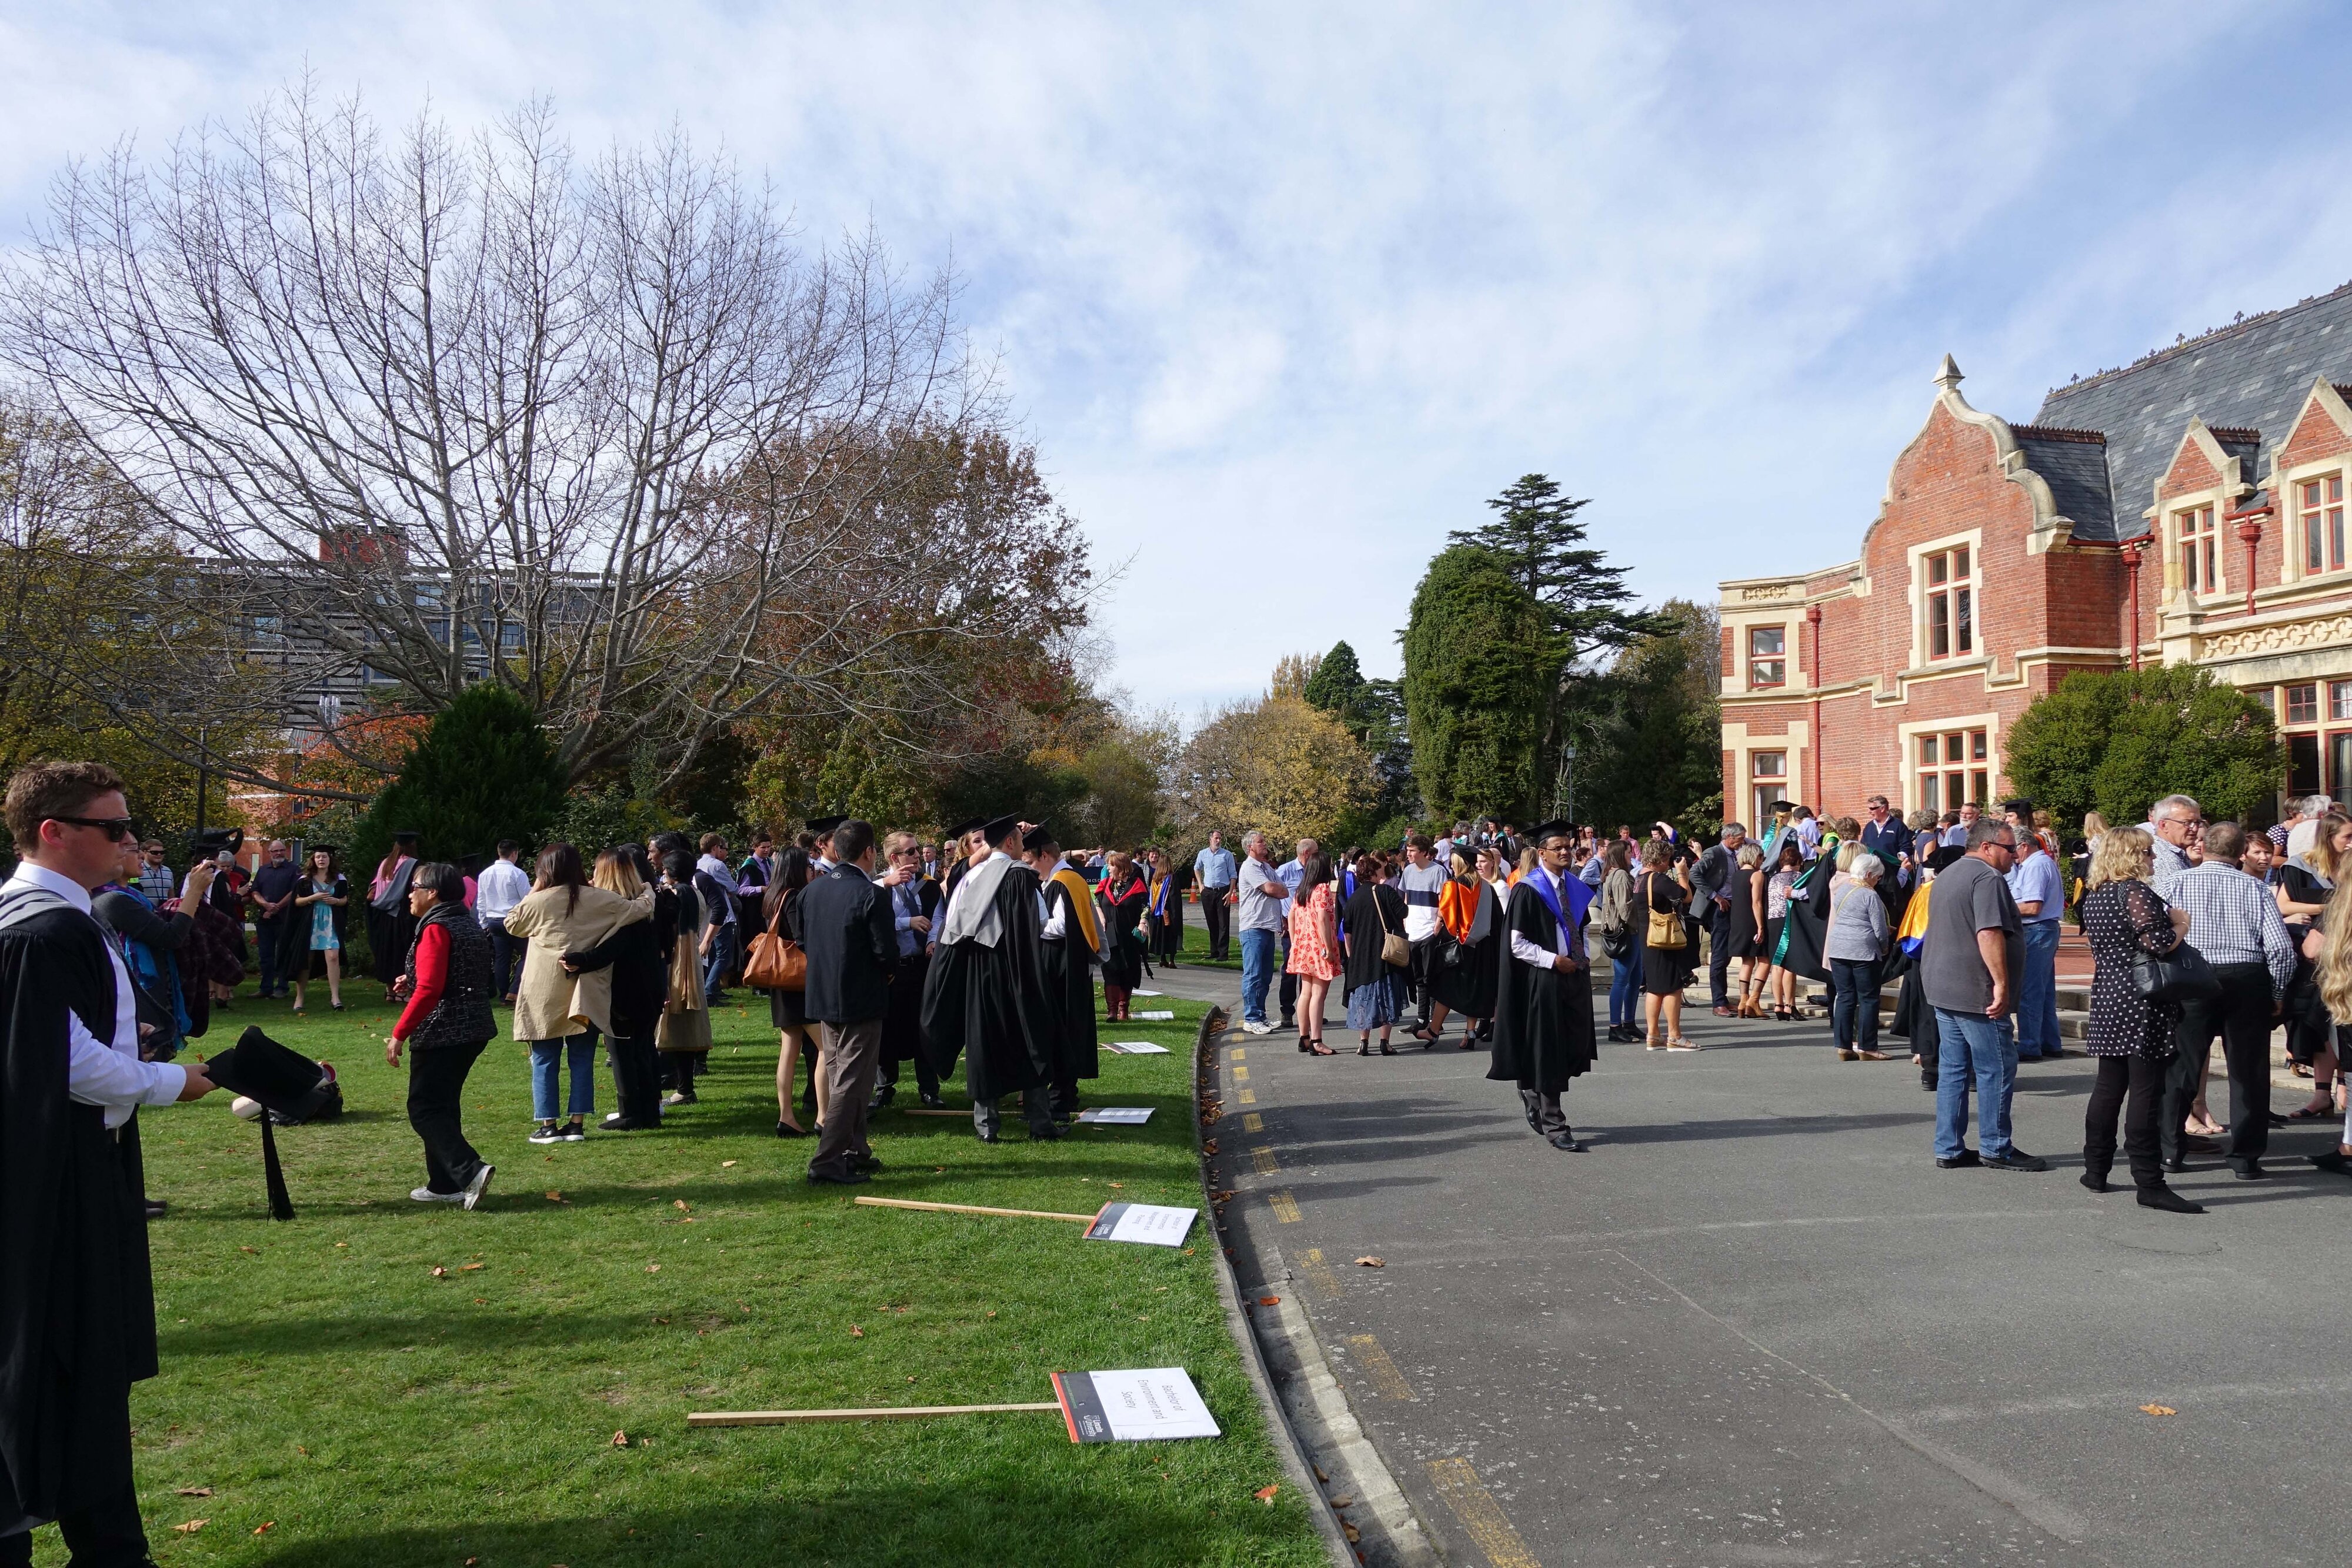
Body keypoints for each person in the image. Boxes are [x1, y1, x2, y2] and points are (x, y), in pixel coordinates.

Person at [0, 762, 219, 1568]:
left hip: (70, 1158)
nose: (130, 842)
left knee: (83, 1355)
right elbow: (66, 1059)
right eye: (113, 827)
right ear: (54, 831)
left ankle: (107, 1542)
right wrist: (173, 1080)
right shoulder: (37, 926)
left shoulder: (58, 919)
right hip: (55, 1170)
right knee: (62, 1350)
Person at [2159, 820, 2295, 1180]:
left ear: (2203, 847)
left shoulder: (2175, 884)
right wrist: (2278, 994)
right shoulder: (2256, 888)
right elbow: (2281, 950)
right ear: (2240, 854)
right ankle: (2245, 1158)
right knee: (2248, 1071)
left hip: (2193, 975)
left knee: (2183, 1065)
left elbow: (2159, 935)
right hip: (2245, 978)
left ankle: (2171, 1150)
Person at [2077, 829, 2201, 1212]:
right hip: (2140, 995)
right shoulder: (2134, 892)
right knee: (2146, 1090)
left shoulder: (2094, 896)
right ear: (2130, 856)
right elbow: (2157, 943)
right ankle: (2149, 1182)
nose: (2151, 858)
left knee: (2109, 1085)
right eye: (2146, 852)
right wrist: (2181, 924)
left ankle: (2095, 1169)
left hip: (2108, 992)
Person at [920, 813, 1060, 1143]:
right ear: (1010, 842)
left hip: (979, 974)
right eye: (1021, 840)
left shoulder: (969, 878)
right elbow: (1041, 923)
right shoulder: (1023, 877)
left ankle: (987, 1127)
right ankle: (1040, 1123)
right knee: (1030, 1038)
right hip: (1019, 972)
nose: (1024, 847)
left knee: (983, 1044)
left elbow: (952, 927)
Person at [501, 840, 652, 1144]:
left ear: (545, 871)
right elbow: (638, 909)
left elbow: (511, 924)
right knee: (582, 1057)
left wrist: (537, 887)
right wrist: (648, 888)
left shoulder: (538, 901)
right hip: (584, 989)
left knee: (545, 1058)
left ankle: (548, 1125)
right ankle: (576, 1124)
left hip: (543, 990)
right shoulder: (600, 899)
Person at [1922, 816, 2045, 1171]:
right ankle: (1995, 1146)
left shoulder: (1950, 874)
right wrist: (2002, 984)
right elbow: (1988, 932)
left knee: (1954, 1070)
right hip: (1975, 988)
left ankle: (1949, 1147)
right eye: (2009, 849)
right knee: (1996, 1068)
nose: (2015, 857)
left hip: (1944, 985)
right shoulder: (1986, 877)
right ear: (1987, 847)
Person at [385, 860, 499, 1207]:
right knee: (443, 1105)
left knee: (424, 1107)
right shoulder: (465, 923)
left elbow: (432, 989)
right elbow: (459, 974)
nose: (410, 894)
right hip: (473, 1025)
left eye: (415, 887)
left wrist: (399, 1033)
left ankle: (469, 1171)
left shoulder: (436, 928)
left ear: (432, 892)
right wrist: (414, 978)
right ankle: (444, 1185)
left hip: (445, 1028)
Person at [799, 819, 897, 1185]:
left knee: (846, 1073)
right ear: (870, 852)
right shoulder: (870, 894)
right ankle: (827, 1160)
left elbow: (804, 939)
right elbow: (886, 951)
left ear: (836, 851)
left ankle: (855, 1150)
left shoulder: (812, 892)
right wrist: (886, 972)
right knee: (852, 1080)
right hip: (860, 997)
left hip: (825, 994)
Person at [1488, 822, 1597, 1149]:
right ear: (1541, 854)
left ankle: (1532, 1090)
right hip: (1544, 979)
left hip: (1573, 976)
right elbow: (1517, 944)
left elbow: (1582, 929)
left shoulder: (1574, 887)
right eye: (1557, 848)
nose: (1565, 852)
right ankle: (1556, 1124)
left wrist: (1583, 956)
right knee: (1549, 1049)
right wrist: (1553, 960)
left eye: (1568, 846)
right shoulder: (1528, 889)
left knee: (1568, 1046)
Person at [556, 849, 671, 1132]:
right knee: (643, 1049)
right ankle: (649, 1111)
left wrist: (579, 960)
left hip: (626, 991)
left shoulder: (622, 910)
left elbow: (611, 950)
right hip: (651, 986)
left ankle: (632, 1112)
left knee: (623, 1052)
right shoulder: (646, 904)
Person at [1029, 825, 1102, 1116]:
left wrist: (1033, 925)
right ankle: (1067, 1092)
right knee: (1071, 1030)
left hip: (1063, 966)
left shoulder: (1062, 881)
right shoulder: (1074, 878)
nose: (1033, 869)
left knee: (1062, 1031)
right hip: (1072, 965)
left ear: (1044, 856)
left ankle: (1060, 1096)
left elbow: (1060, 925)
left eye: (1032, 862)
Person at [872, 832, 944, 1112]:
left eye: (917, 851)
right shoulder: (877, 887)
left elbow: (938, 918)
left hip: (920, 967)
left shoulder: (929, 886)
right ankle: (884, 1089)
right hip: (890, 970)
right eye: (911, 852)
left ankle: (929, 1089)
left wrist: (932, 940)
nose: (918, 856)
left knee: (924, 1027)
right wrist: (907, 922)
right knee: (886, 1030)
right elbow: (872, 922)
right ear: (894, 858)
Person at [754, 849, 816, 1135]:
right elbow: (800, 938)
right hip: (798, 982)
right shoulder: (792, 896)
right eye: (808, 865)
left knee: (789, 1051)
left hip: (783, 983)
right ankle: (824, 1117)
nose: (811, 870)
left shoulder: (773, 896)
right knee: (828, 1050)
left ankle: (786, 1116)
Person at [1423, 849, 1506, 1049]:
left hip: (1458, 949)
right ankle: (1470, 1031)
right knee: (1474, 990)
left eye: (1453, 863)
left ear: (1459, 864)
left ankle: (1433, 1030)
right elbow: (1498, 920)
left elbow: (1450, 923)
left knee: (1446, 989)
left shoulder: (1452, 886)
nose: (1451, 866)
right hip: (1482, 948)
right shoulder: (1486, 888)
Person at [653, 842, 715, 1103]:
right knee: (686, 1025)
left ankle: (672, 1084)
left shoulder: (673, 895)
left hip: (675, 961)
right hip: (693, 962)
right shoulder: (695, 893)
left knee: (670, 1021)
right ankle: (684, 1087)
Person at [2004, 822, 2066, 1062]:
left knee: (2030, 990)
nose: (2012, 855)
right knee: (2043, 989)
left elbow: (2032, 906)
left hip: (2037, 930)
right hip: (2042, 929)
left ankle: (2031, 1044)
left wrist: (2003, 906)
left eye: (2013, 849)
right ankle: (2049, 1041)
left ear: (2024, 846)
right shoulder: (2037, 863)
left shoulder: (2036, 866)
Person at [1824, 853, 1891, 1061]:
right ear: (1869, 874)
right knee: (1869, 998)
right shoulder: (1869, 895)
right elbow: (1879, 929)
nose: (1878, 881)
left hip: (1838, 947)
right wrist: (1884, 947)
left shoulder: (1842, 888)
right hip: (1863, 950)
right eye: (1877, 877)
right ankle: (1868, 1046)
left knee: (1845, 996)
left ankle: (1843, 1045)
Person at [1339, 855, 1406, 1055]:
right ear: (1376, 872)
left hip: (1361, 956)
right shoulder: (1385, 891)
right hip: (1384, 954)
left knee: (1363, 1000)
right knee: (1386, 999)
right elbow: (1403, 912)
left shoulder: (1354, 898)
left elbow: (1347, 929)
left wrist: (1350, 953)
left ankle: (1364, 1042)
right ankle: (1385, 1042)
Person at [1637, 839, 1699, 1050]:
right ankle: (1674, 1035)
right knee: (1673, 986)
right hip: (1664, 938)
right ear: (1661, 859)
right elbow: (1687, 897)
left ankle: (1653, 1035)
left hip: (1647, 938)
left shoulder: (1639, 878)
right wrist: (1682, 872)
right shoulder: (1659, 879)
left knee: (1654, 988)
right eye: (1668, 859)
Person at [1286, 853, 1342, 1055]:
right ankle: (1317, 1041)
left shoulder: (1302, 890)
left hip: (1303, 946)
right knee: (1319, 994)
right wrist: (1328, 947)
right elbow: (1323, 919)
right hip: (1319, 947)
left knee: (1306, 992)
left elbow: (1291, 916)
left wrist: (1295, 941)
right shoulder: (1322, 890)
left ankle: (1304, 1038)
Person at [1690, 823, 1746, 1016]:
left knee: (1727, 954)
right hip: (1718, 908)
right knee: (1720, 955)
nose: (1742, 842)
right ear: (1730, 837)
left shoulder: (1735, 854)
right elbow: (1694, 873)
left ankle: (1722, 998)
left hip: (1732, 906)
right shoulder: (1714, 853)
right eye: (1740, 839)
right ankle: (1718, 1002)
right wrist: (1715, 896)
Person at [1236, 830, 1287, 1033]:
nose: (1265, 845)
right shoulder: (1250, 867)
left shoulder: (1266, 866)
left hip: (1267, 927)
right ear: (1250, 847)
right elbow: (1273, 889)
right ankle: (1251, 1017)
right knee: (1253, 974)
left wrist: (1278, 889)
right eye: (1261, 842)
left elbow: (1283, 889)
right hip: (1253, 928)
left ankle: (1260, 1015)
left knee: (1265, 975)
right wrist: (1277, 889)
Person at [1594, 841, 1643, 1042]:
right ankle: (1616, 1025)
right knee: (1623, 980)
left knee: (1634, 978)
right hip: (1627, 933)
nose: (1631, 854)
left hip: (1624, 932)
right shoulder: (1621, 875)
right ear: (1620, 854)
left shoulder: (1611, 874)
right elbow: (1625, 909)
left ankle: (1629, 1023)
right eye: (1628, 851)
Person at [291, 846, 349, 1013]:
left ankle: (335, 998)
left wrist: (336, 902)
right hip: (311, 922)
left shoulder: (339, 879)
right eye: (318, 857)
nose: (321, 860)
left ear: (330, 860)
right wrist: (313, 898)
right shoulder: (305, 880)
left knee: (333, 956)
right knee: (306, 959)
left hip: (331, 920)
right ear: (313, 860)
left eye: (324, 857)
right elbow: (297, 902)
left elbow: (345, 899)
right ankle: (300, 997)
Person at [366, 830, 422, 1000]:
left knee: (388, 953)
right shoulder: (414, 865)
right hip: (402, 917)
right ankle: (402, 992)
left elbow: (373, 890)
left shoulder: (386, 863)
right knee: (402, 953)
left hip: (383, 915)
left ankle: (390, 991)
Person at [476, 839, 532, 1005]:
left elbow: (481, 901)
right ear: (514, 853)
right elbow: (527, 898)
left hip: (493, 919)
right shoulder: (517, 874)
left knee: (502, 958)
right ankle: (514, 990)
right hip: (514, 919)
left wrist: (483, 923)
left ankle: (504, 994)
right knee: (527, 952)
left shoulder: (485, 874)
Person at [245, 839, 302, 1000]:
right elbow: (255, 892)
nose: (279, 853)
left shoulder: (294, 870)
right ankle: (265, 988)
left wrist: (277, 906)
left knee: (283, 954)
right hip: (265, 920)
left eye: (282, 850)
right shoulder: (263, 871)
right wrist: (266, 905)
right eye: (275, 851)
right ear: (270, 853)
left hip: (285, 919)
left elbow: (295, 892)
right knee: (265, 956)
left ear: (286, 851)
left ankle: (282, 988)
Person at [1096, 849, 1148, 1022]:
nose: (1108, 868)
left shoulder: (1136, 885)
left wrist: (1142, 923)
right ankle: (1111, 1011)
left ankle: (1123, 1009)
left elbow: (1145, 907)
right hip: (1110, 933)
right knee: (1110, 970)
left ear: (1121, 868)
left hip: (1129, 935)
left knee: (1127, 970)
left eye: (1111, 865)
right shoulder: (1105, 885)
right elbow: (1096, 903)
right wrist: (1102, 918)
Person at [1759, 838, 1804, 1021]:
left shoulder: (1772, 879)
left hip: (1773, 921)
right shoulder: (1798, 877)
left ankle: (1778, 1003)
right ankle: (1790, 1004)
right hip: (1790, 921)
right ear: (1798, 862)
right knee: (1790, 965)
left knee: (1776, 964)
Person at [695, 833, 740, 1004]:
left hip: (704, 914)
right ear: (715, 848)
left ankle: (712, 988)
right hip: (721, 915)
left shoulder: (698, 865)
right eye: (720, 847)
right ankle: (709, 990)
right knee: (723, 955)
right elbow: (733, 887)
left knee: (711, 954)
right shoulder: (717, 866)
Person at [1195, 829, 1237, 960]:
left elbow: (1233, 875)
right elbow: (1197, 868)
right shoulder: (1203, 854)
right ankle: (1214, 951)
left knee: (1223, 923)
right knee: (1211, 922)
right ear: (1210, 839)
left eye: (1220, 838)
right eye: (1216, 838)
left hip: (1223, 891)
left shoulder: (1227, 855)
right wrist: (1200, 885)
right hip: (1208, 892)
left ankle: (1223, 953)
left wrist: (1230, 892)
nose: (1218, 841)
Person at [135, 838, 176, 904]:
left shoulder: (168, 871)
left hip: (164, 912)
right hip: (145, 912)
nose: (159, 855)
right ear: (145, 853)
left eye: (162, 853)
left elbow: (171, 896)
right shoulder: (137, 870)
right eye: (155, 853)